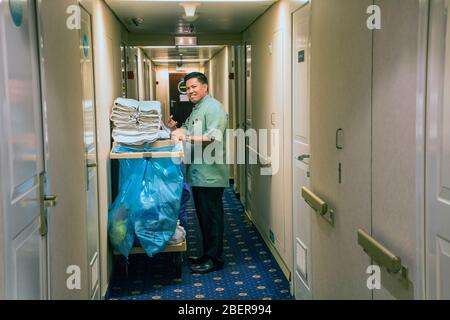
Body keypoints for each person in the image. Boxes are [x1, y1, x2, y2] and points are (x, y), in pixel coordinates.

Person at [167, 72, 229, 273]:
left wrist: (185, 138)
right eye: (188, 88)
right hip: (200, 173)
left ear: (205, 87)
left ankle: (215, 260)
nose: (191, 91)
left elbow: (213, 136)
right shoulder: (198, 109)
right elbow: (187, 128)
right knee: (204, 218)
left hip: (210, 174)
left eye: (194, 86)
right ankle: (207, 254)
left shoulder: (213, 108)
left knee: (212, 218)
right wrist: (176, 129)